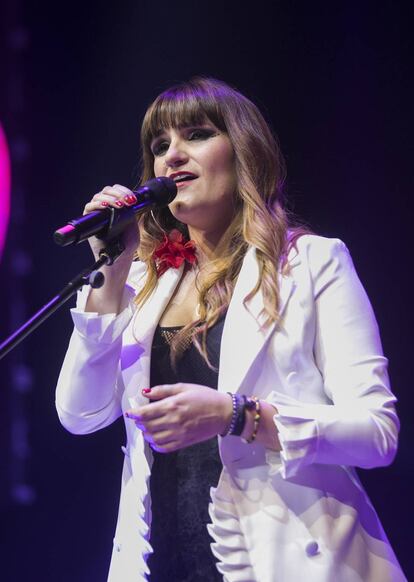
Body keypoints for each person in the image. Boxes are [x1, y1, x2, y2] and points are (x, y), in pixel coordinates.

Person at [55, 77, 406, 581]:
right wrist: (110, 269)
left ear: (245, 152)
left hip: (288, 560)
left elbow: (377, 433)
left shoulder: (309, 263)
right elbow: (79, 414)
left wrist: (238, 415)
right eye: (159, 146)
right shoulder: (141, 283)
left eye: (195, 134)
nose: (172, 156)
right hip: (160, 564)